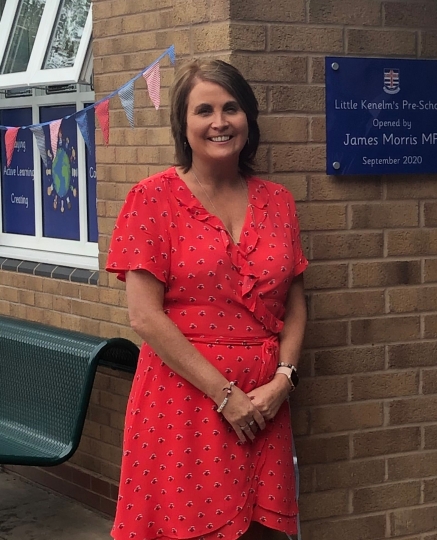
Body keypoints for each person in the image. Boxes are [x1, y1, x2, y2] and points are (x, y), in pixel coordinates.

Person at [106, 59, 307, 540]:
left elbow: (296, 302)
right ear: (184, 125)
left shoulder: (278, 201)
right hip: (183, 403)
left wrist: (284, 378)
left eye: (231, 108)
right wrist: (224, 395)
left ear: (248, 120)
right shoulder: (151, 198)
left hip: (264, 406)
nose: (220, 122)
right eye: (204, 110)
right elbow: (144, 317)